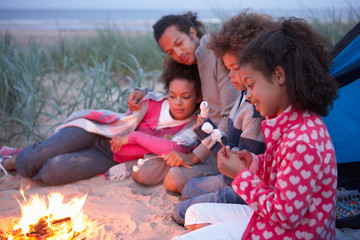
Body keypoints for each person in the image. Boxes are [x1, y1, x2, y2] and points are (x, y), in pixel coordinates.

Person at [173, 17, 338, 240]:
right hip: (274, 220)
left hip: (294, 233)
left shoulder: (302, 140)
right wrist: (252, 163)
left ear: (279, 76)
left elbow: (285, 215)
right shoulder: (290, 122)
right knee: (193, 214)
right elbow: (280, 173)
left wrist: (240, 176)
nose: (248, 94)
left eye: (251, 84)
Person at [0, 59, 202, 185]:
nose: (177, 102)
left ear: (198, 97)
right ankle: (7, 161)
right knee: (40, 153)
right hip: (99, 133)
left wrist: (133, 136)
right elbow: (142, 95)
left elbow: (175, 148)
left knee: (52, 172)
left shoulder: (191, 126)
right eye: (173, 95)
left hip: (111, 157)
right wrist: (139, 95)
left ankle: (22, 159)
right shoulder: (153, 101)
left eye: (185, 97)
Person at [172, 10, 274, 226]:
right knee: (188, 189)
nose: (230, 76)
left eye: (235, 69)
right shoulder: (242, 99)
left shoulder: (255, 110)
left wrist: (210, 136)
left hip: (240, 184)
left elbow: (239, 164)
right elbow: (232, 151)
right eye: (228, 69)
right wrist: (206, 130)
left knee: (182, 211)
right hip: (232, 177)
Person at [130, 12, 238, 193]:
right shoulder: (192, 65)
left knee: (173, 181)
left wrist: (194, 158)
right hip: (202, 139)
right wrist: (143, 92)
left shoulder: (214, 54)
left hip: (226, 142)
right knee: (144, 173)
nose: (178, 53)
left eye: (179, 43)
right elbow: (176, 92)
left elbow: (230, 116)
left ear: (192, 33)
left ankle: (223, 180)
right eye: (170, 52)